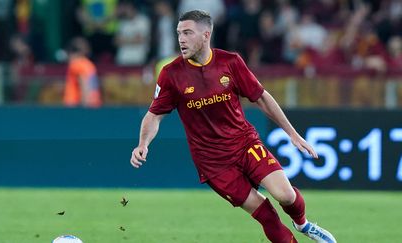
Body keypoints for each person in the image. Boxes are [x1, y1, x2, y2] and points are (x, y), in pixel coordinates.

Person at [130, 10, 336, 243]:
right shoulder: (171, 74)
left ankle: (303, 224)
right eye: (179, 33)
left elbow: (261, 97)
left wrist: (292, 134)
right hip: (214, 164)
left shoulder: (230, 62)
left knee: (286, 195)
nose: (181, 39)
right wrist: (143, 144)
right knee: (266, 214)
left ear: (206, 35)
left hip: (245, 144)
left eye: (187, 33)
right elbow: (154, 114)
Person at [63, 37, 102, 108]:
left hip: (78, 108)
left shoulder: (77, 64)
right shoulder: (89, 64)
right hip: (94, 105)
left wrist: (84, 108)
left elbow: (84, 84)